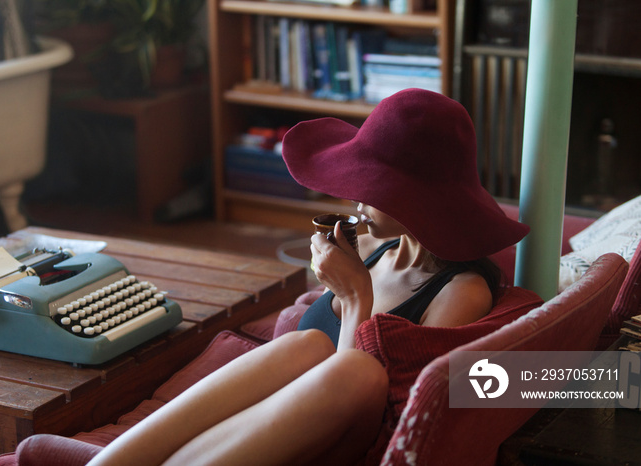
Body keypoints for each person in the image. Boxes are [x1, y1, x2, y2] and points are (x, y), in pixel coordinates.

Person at [86, 89, 529, 466]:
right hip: (278, 419)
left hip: (350, 434)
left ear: (416, 199)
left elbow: (390, 402)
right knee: (308, 343)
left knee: (355, 368)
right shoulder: (380, 248)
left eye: (371, 186)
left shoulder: (460, 292)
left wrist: (354, 297)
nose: (354, 196)